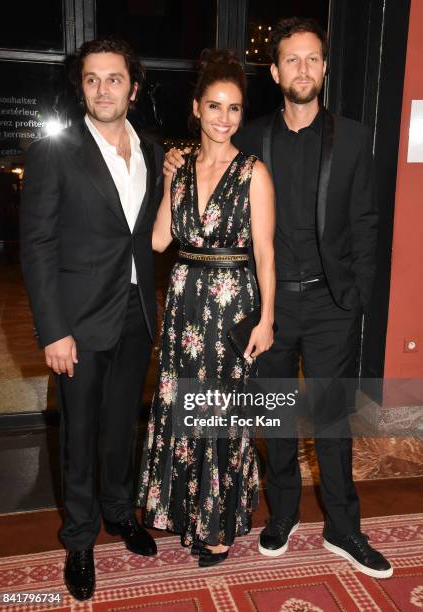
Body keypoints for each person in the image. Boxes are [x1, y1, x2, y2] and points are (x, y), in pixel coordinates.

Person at [164, 18, 392, 579]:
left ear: (325, 67)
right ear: (275, 71)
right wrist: (173, 162)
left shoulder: (357, 137)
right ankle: (283, 514)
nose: (304, 69)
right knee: (277, 419)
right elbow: (207, 162)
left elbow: (367, 224)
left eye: (313, 58)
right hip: (264, 307)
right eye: (292, 59)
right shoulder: (252, 135)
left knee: (333, 420)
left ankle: (344, 528)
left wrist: (357, 299)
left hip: (331, 304)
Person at [20, 38, 164, 600]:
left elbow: (147, 232)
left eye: (114, 78)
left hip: (134, 313)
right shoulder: (54, 151)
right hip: (77, 321)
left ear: (134, 85)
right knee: (79, 435)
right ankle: (79, 539)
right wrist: (53, 329)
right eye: (92, 79)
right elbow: (36, 245)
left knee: (123, 423)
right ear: (81, 86)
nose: (103, 89)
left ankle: (119, 512)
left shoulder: (151, 150)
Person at [137, 49, 276, 567]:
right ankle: (188, 512)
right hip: (184, 306)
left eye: (234, 108)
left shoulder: (254, 173)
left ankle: (217, 526)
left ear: (242, 113)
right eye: (214, 106)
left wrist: (266, 319)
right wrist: (169, 181)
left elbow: (265, 253)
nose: (224, 118)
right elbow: (156, 242)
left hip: (232, 308)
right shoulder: (181, 166)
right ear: (196, 108)